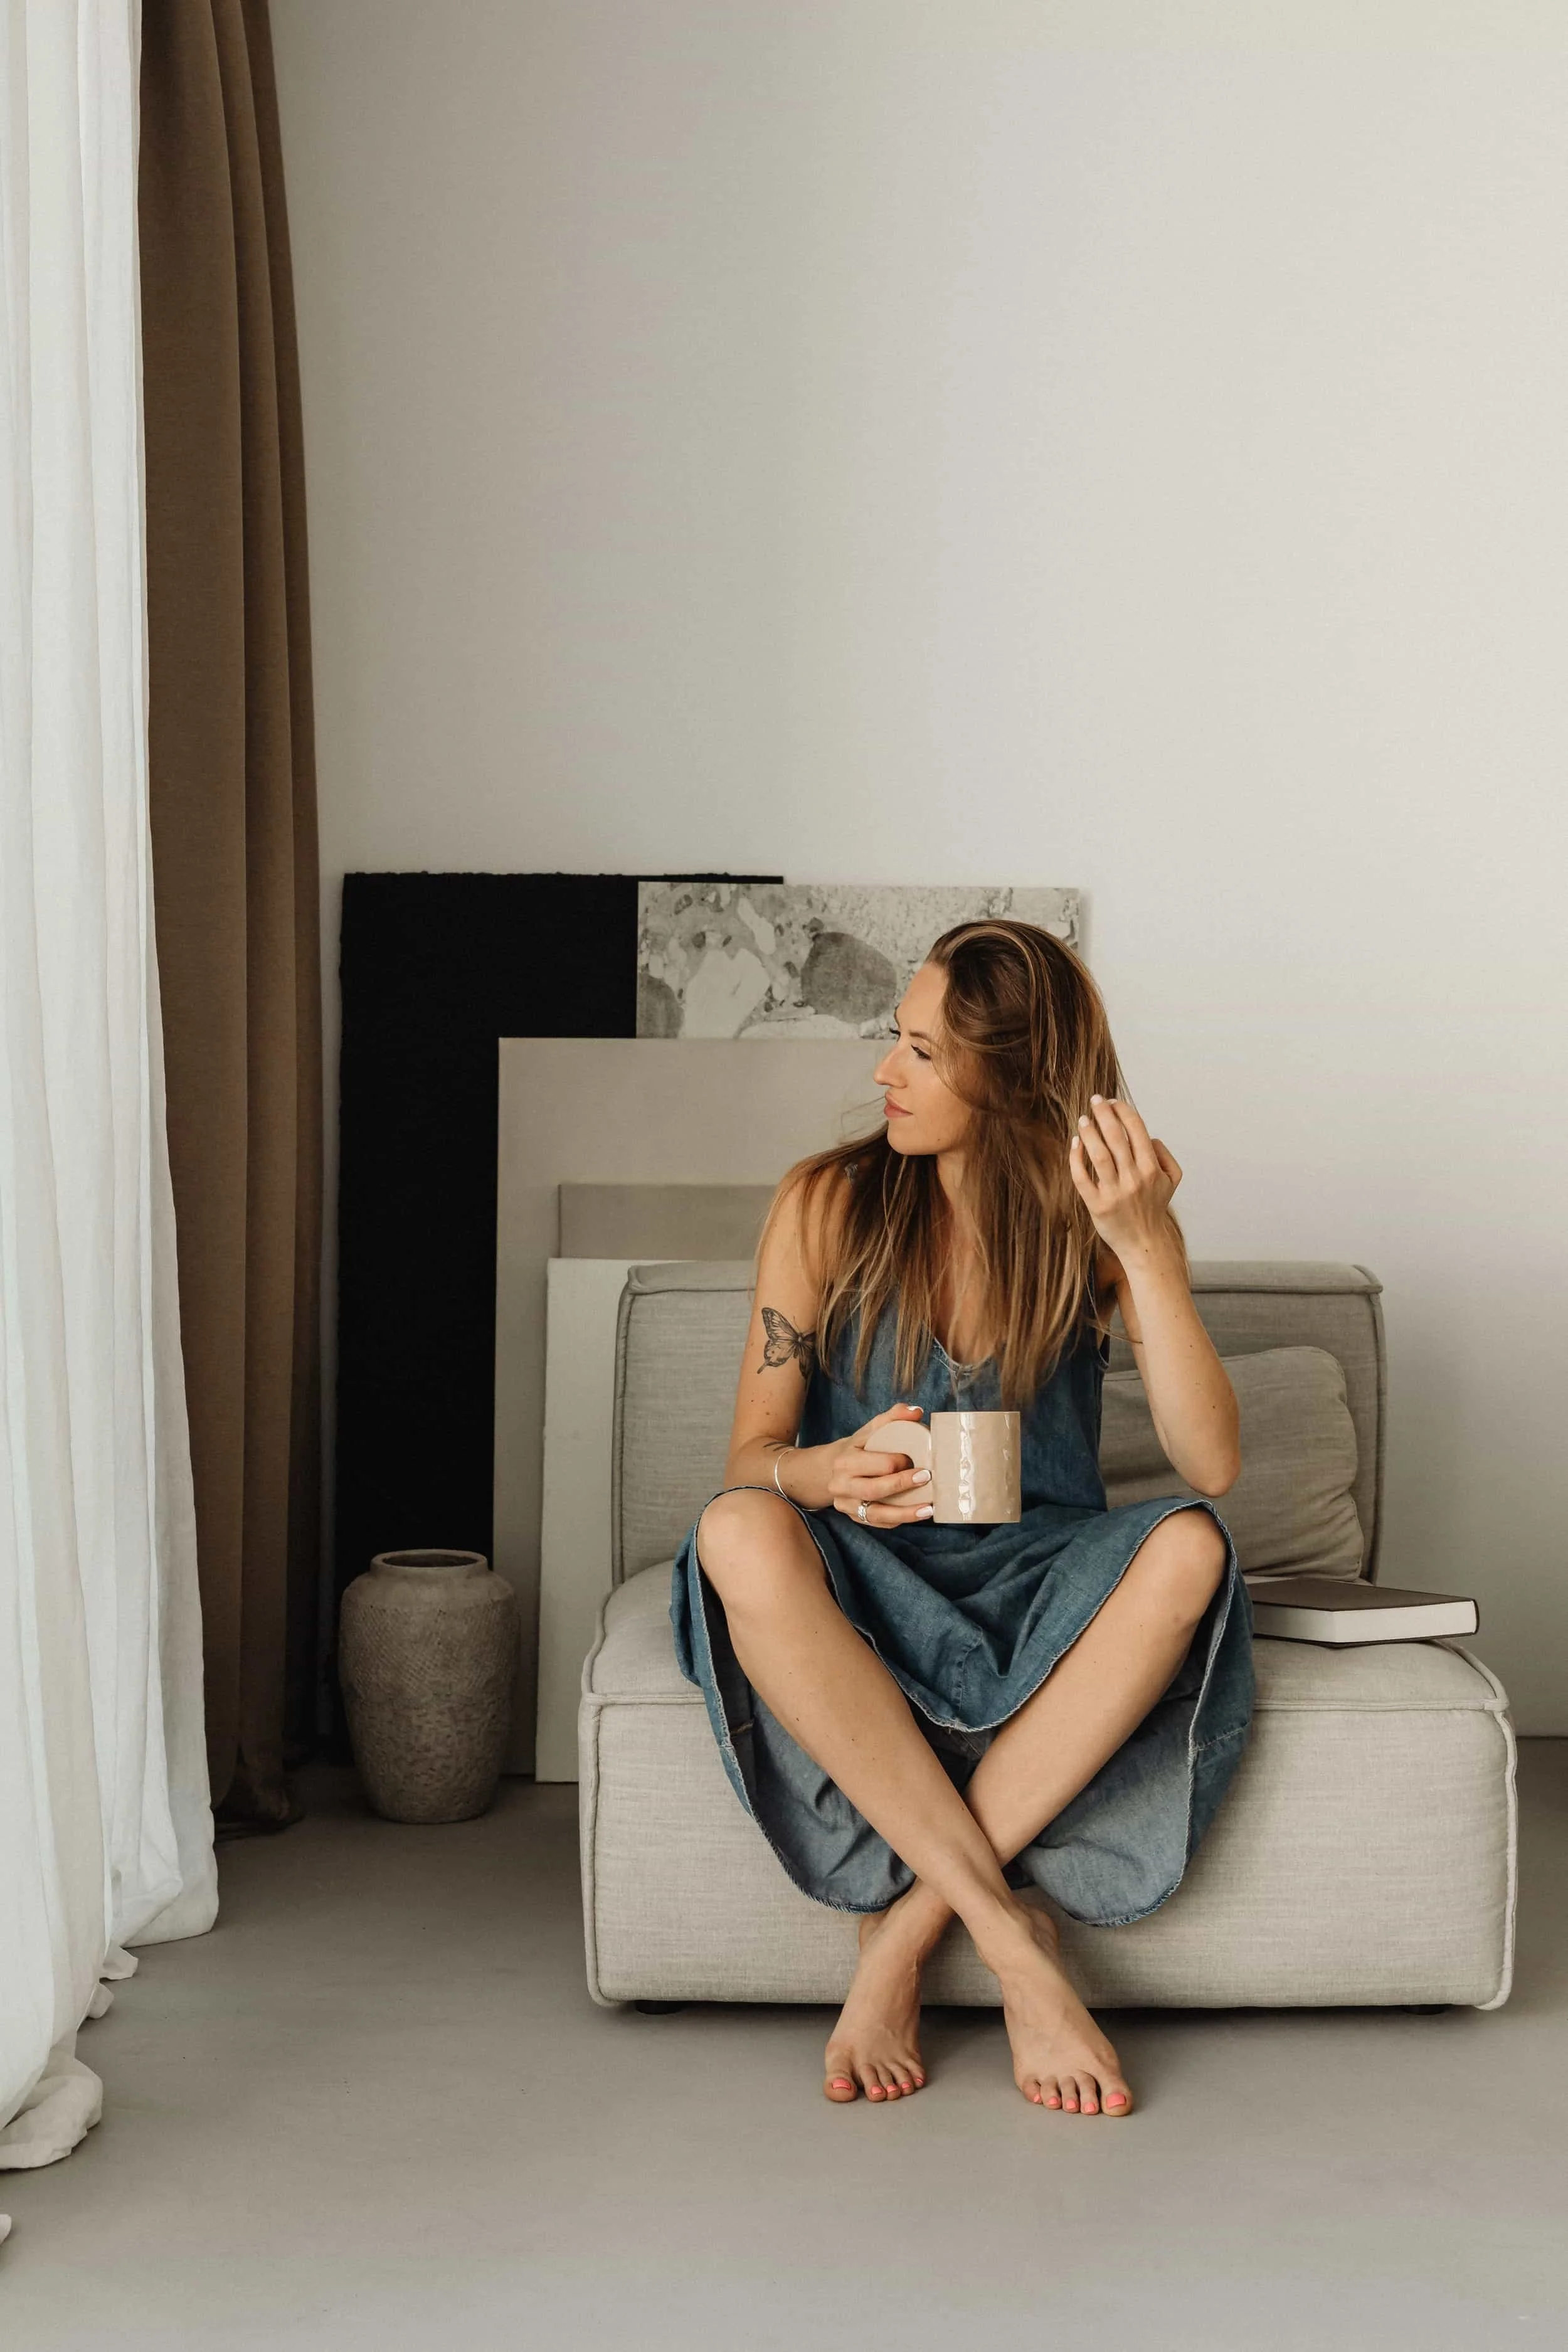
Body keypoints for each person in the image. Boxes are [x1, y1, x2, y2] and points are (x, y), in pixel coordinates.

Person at [670, 919, 1253, 2116]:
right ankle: (1011, 1940)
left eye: (925, 1053)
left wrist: (1146, 1248)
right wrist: (827, 1474)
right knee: (735, 1531)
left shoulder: (1100, 1222)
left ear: (1013, 1076)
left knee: (1190, 1543)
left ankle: (906, 1933)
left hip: (1035, 1576)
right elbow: (750, 1458)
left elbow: (1212, 1460)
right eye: (899, 1039)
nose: (887, 1071)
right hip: (864, 1570)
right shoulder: (827, 1201)